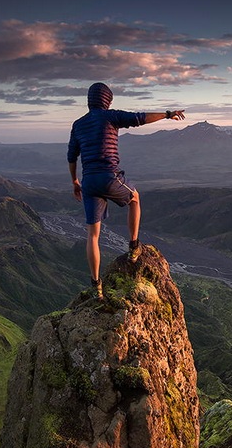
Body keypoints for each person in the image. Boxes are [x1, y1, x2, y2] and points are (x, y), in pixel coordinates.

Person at [67, 82, 185, 299]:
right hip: (109, 176)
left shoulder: (78, 124)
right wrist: (168, 114)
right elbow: (140, 118)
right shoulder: (111, 116)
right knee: (135, 198)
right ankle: (133, 246)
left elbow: (72, 155)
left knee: (93, 235)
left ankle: (96, 285)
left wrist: (75, 182)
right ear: (106, 100)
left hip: (89, 181)